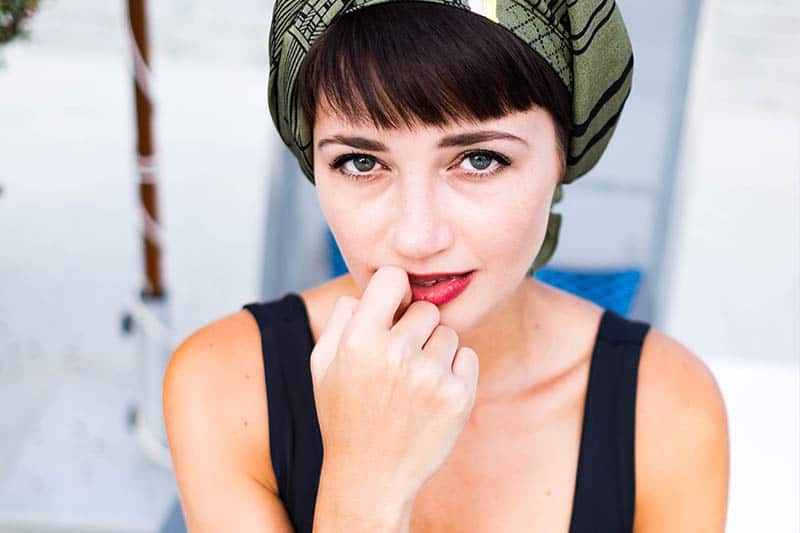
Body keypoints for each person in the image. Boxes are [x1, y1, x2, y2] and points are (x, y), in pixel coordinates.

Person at [162, 1, 730, 531]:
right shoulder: (224, 386)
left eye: (479, 160)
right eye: (361, 162)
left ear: (564, 153)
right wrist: (365, 483)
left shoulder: (666, 411)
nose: (416, 237)